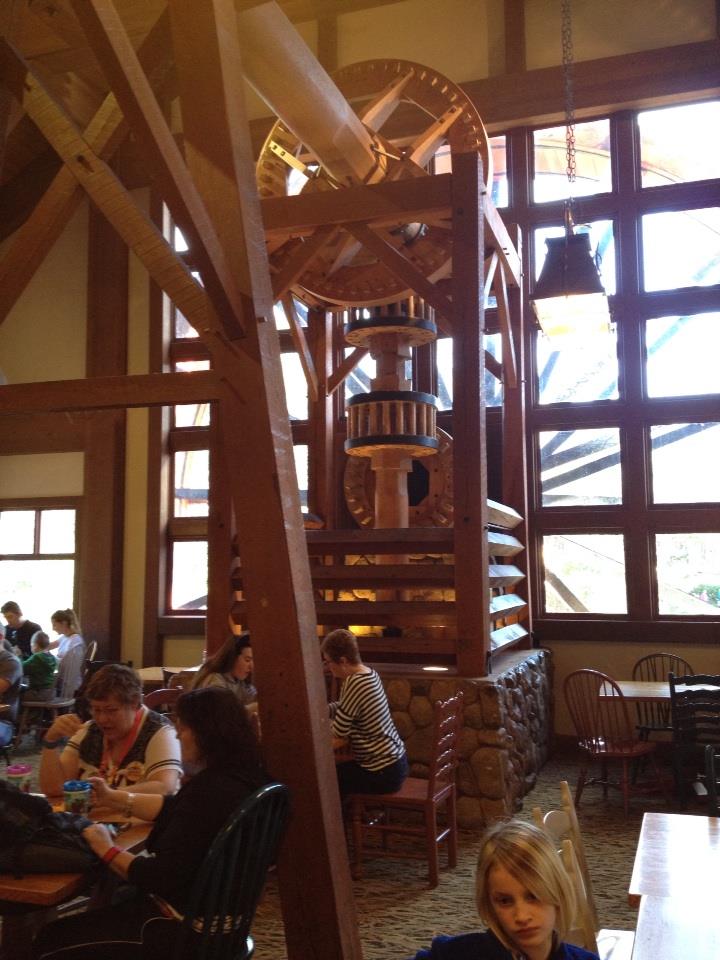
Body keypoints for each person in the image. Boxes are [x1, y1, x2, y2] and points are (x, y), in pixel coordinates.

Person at [31, 686, 269, 960]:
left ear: (207, 733)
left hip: (186, 931)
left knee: (50, 938)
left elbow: (157, 876)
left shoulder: (210, 792)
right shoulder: (246, 778)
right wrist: (114, 798)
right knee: (112, 902)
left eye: (183, 728)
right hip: (226, 923)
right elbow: (173, 808)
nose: (178, 735)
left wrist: (106, 848)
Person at [408, 820, 599, 960]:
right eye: (505, 901)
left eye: (533, 896)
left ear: (558, 892)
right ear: (489, 904)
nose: (521, 916)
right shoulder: (458, 954)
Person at [39, 663, 182, 799]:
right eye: (96, 710)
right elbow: (55, 789)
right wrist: (50, 741)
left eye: (111, 710)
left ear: (134, 704)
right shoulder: (89, 730)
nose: (102, 719)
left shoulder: (160, 732)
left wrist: (108, 796)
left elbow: (164, 788)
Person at [322, 628, 408, 797]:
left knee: (325, 780)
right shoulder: (369, 673)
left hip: (382, 771)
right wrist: (322, 710)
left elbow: (339, 734)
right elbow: (345, 706)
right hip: (396, 763)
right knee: (333, 774)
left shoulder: (355, 683)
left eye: (328, 662)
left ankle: (335, 816)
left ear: (343, 661)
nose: (327, 667)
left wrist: (314, 741)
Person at [191, 632, 257, 708]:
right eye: (247, 660)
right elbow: (222, 711)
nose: (251, 667)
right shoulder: (214, 680)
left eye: (254, 661)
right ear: (232, 657)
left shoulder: (240, 680)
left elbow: (251, 697)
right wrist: (252, 707)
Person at [49, 608, 85, 698]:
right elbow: (48, 646)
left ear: (64, 623)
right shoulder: (65, 637)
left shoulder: (75, 641)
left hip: (69, 686)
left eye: (54, 625)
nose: (53, 628)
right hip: (63, 680)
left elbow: (65, 664)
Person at [22, 630, 58, 702]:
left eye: (31, 645)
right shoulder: (52, 658)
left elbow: (21, 668)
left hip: (38, 693)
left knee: (16, 695)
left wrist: (17, 656)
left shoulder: (37, 657)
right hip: (51, 693)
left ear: (35, 645)